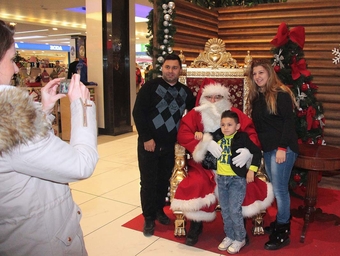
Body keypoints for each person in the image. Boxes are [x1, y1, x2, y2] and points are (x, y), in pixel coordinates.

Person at [0, 20, 98, 256]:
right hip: (40, 240)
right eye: (12, 60)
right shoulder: (8, 115)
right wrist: (82, 106)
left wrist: (42, 112)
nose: (15, 69)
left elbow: (21, 154)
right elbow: (81, 164)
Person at [170, 78, 261, 246]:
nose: (213, 101)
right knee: (197, 184)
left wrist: (248, 151)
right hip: (203, 166)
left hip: (233, 165)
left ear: (224, 98)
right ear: (203, 98)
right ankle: (196, 225)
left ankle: (240, 228)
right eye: (209, 97)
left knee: (248, 186)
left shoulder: (233, 113)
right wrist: (204, 143)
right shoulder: (195, 114)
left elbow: (251, 132)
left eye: (217, 97)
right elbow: (183, 134)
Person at [132, 54, 196, 237]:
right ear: (162, 68)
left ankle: (159, 210)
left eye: (174, 68)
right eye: (167, 67)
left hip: (170, 145)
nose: (170, 71)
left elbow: (193, 113)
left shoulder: (185, 92)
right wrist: (146, 137)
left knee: (163, 181)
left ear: (180, 70)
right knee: (148, 181)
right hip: (149, 143)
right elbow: (138, 113)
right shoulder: (150, 88)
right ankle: (149, 217)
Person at [245, 59, 299, 250]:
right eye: (255, 74)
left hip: (282, 149)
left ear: (269, 73)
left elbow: (288, 123)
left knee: (280, 191)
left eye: (261, 72)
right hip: (268, 149)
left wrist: (283, 148)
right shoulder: (258, 96)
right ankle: (280, 220)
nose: (257, 77)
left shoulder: (280, 94)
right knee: (277, 188)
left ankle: (283, 230)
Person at [206, 110, 262, 254]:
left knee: (234, 210)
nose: (225, 128)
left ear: (237, 126)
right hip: (221, 179)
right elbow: (205, 140)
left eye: (229, 125)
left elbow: (256, 152)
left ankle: (240, 238)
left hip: (236, 180)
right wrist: (202, 137)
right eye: (223, 124)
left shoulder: (242, 138)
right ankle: (230, 235)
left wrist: (252, 170)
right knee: (224, 210)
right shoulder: (218, 136)